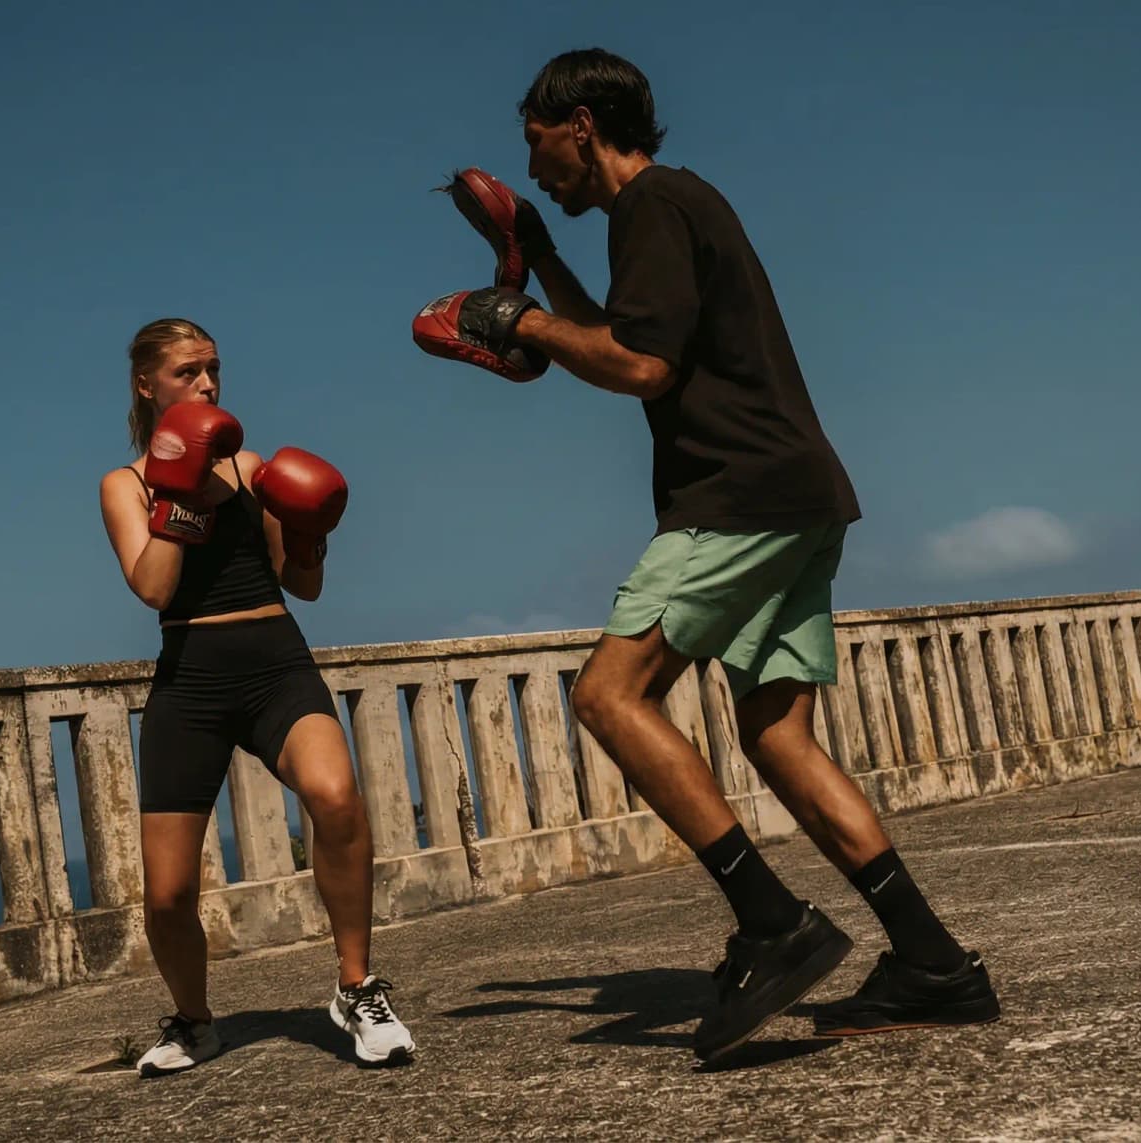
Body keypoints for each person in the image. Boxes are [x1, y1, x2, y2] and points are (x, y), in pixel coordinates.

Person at [413, 49, 1000, 1065]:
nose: (534, 163)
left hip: (734, 494)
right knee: (777, 736)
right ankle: (932, 961)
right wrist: (539, 260)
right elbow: (626, 333)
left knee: (607, 695)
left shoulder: (651, 208)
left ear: (581, 124)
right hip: (799, 493)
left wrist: (512, 320)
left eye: (537, 146)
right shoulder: (677, 208)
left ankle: (771, 925)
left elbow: (638, 367)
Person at [99, 318, 415, 1072]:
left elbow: (300, 582)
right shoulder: (127, 483)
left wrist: (311, 535)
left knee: (337, 798)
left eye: (213, 369)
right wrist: (177, 493)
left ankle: (357, 987)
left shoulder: (253, 468)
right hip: (191, 679)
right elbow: (153, 588)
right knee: (169, 893)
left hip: (275, 661)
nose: (207, 384)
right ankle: (195, 1022)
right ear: (148, 383)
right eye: (187, 372)